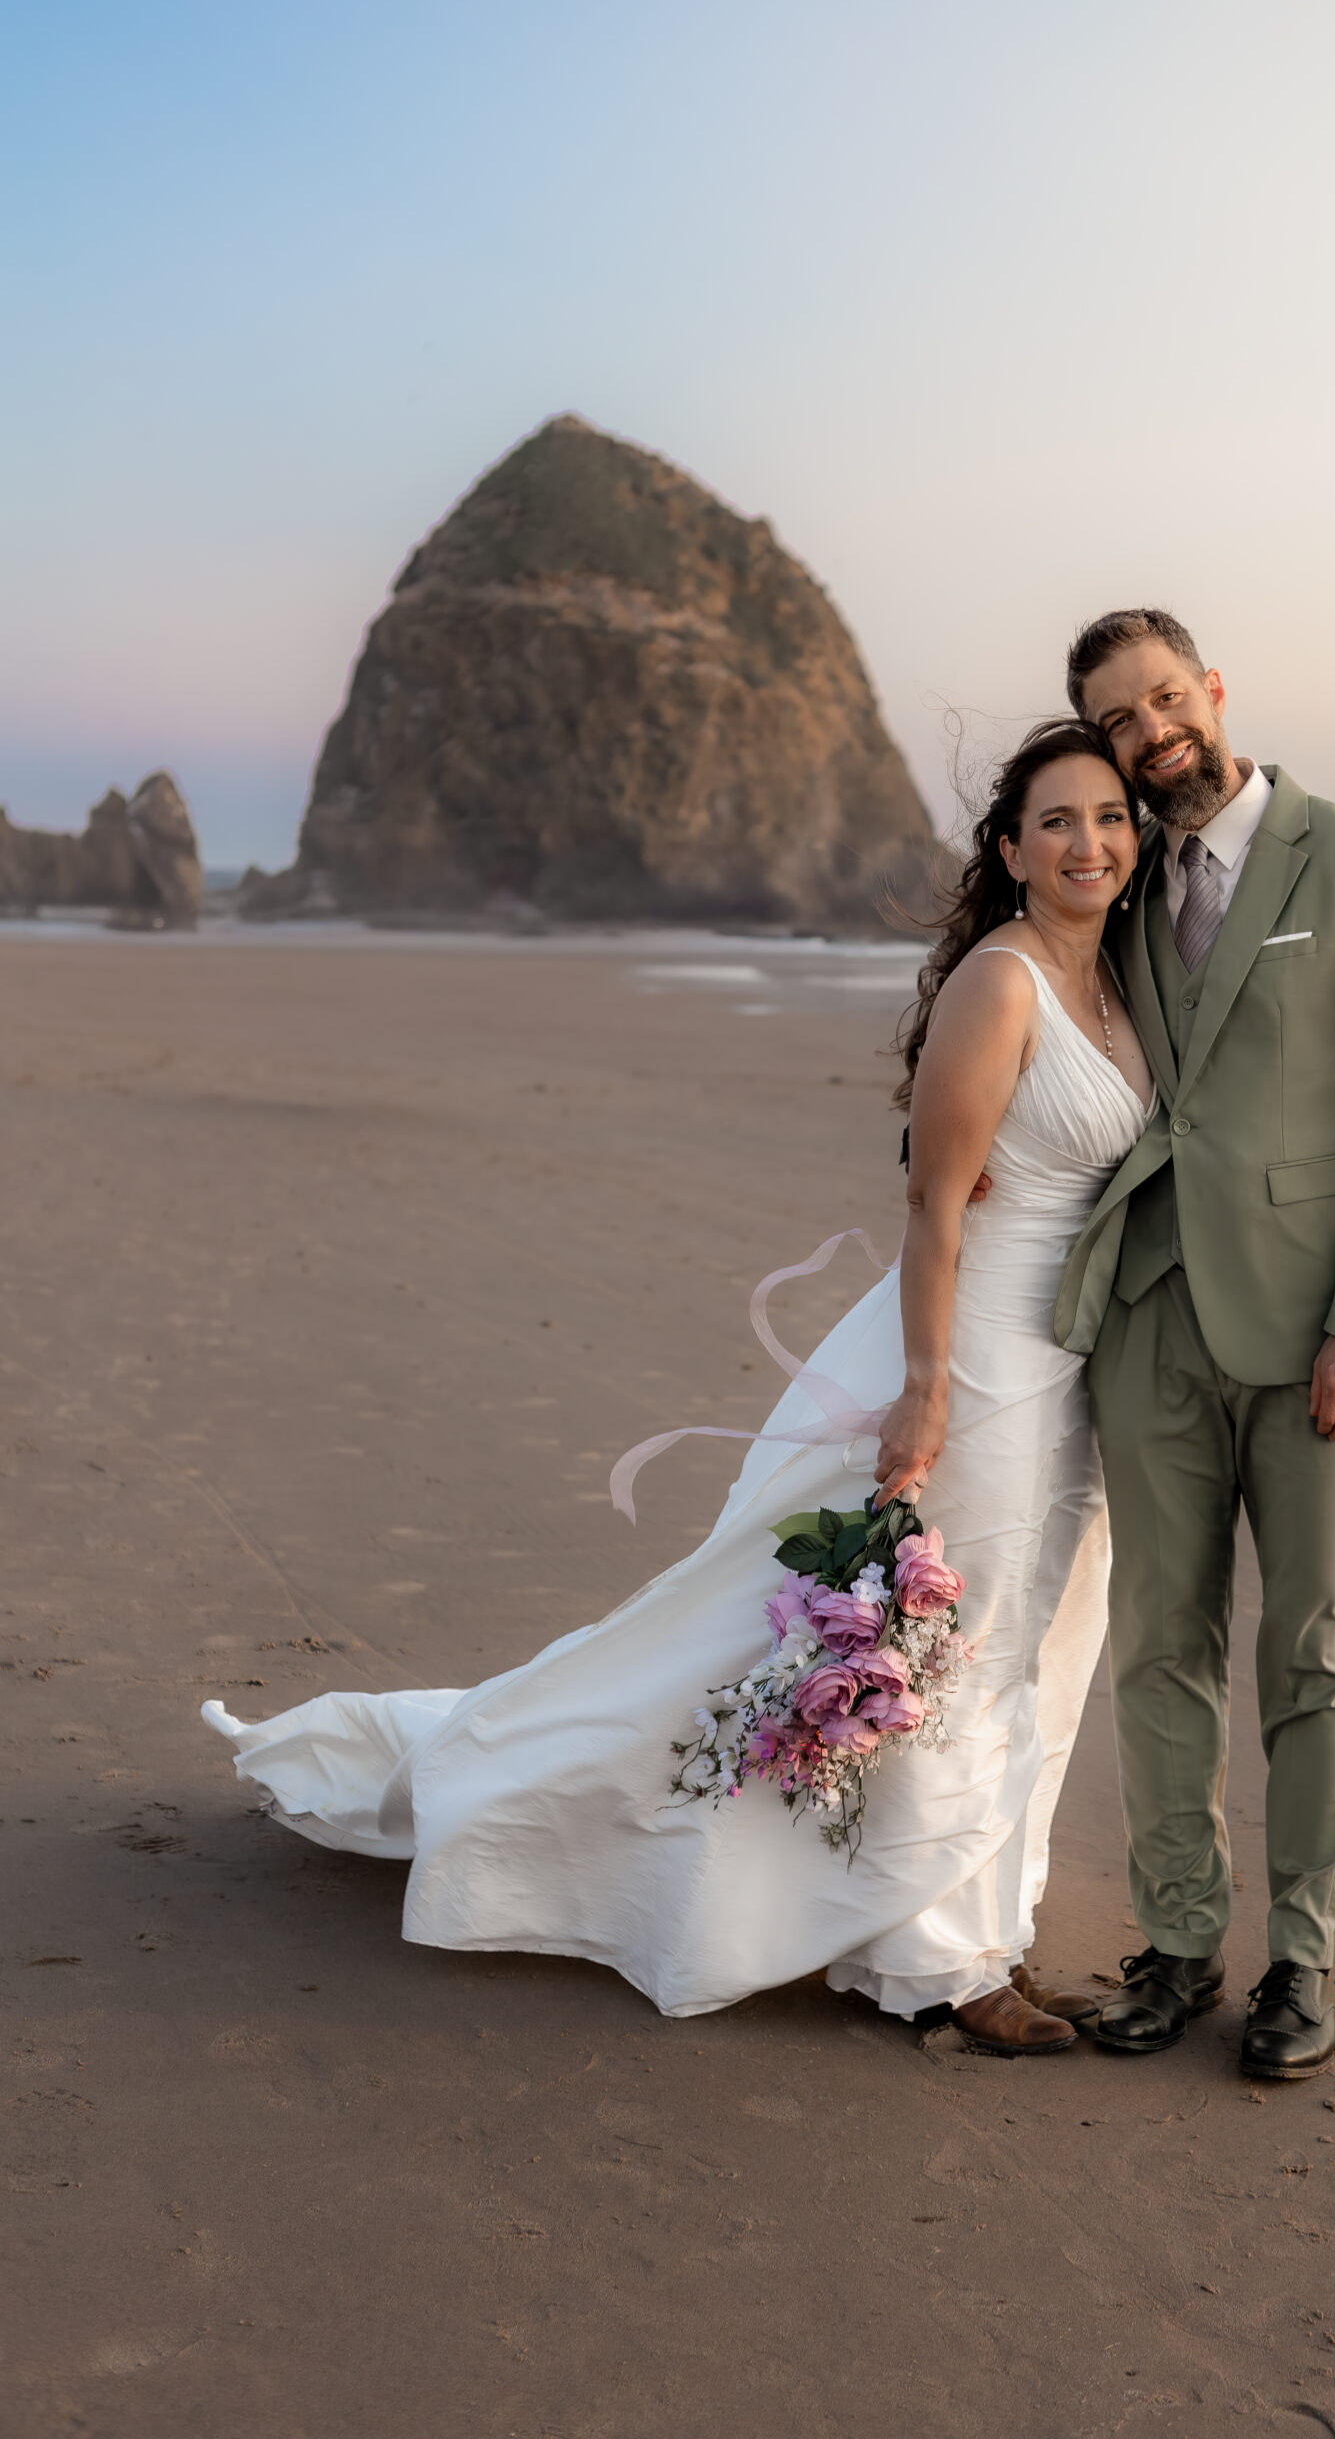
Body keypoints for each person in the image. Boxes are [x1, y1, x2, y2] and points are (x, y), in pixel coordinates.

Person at [204, 722, 1158, 2053]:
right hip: (988, 1350)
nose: (1087, 843)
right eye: (1056, 821)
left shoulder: (1124, 985)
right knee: (964, 1645)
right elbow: (934, 1205)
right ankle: (940, 1965)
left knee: (1041, 1645)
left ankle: (987, 1918)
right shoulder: (1003, 986)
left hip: (1083, 1368)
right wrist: (927, 1387)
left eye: (1110, 817)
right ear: (1009, 849)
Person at [1051, 608, 1335, 2079]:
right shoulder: (1118, 879)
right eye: (1120, 716)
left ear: (1215, 693)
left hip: (1315, 1340)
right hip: (1153, 1323)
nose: (1153, 728)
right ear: (1103, 744)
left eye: (1166, 697)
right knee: (1159, 1643)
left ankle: (1302, 1959)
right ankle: (1175, 1942)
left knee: (1310, 1644)